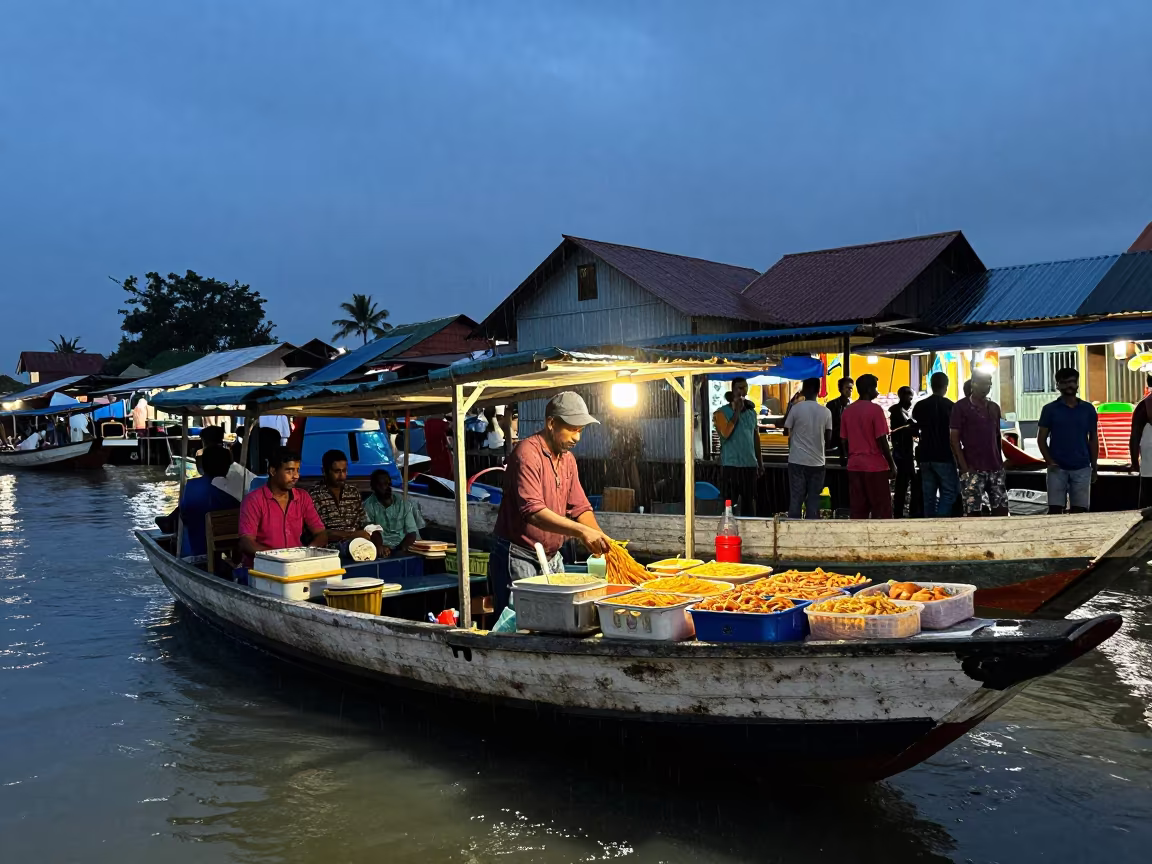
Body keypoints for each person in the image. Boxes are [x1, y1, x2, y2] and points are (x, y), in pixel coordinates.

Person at [490, 392, 612, 616]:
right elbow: (533, 513)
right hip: (518, 555)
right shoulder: (526, 455)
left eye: (581, 431)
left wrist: (603, 542)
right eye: (572, 429)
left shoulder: (568, 460)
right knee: (520, 624)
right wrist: (582, 532)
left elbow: (580, 508)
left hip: (552, 556)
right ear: (551, 423)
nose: (577, 438)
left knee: (555, 621)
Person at [238, 448, 328, 566]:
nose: (295, 476)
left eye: (297, 470)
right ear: (273, 471)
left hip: (296, 565)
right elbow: (246, 542)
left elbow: (321, 533)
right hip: (263, 567)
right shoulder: (253, 500)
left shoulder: (302, 497)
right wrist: (278, 559)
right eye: (289, 471)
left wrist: (307, 553)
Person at [1037, 367, 1098, 514]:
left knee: (1080, 511)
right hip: (1057, 468)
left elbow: (1093, 439)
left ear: (1077, 384)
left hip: (1082, 467)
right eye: (1064, 382)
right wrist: (1049, 461)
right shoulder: (1049, 409)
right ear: (1057, 386)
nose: (1069, 385)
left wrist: (1094, 466)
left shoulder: (1088, 409)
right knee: (1055, 511)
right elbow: (1041, 439)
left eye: (1072, 382)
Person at [950, 370, 1009, 517]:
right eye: (981, 384)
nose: (985, 387)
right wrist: (963, 467)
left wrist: (1000, 462)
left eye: (988, 384)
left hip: (995, 468)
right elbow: (954, 440)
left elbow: (996, 436)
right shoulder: (960, 407)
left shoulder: (994, 407)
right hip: (972, 468)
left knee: (1001, 509)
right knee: (973, 512)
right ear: (973, 384)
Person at [840, 374, 895, 519]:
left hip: (854, 466)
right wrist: (892, 464)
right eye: (875, 388)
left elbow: (844, 440)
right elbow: (882, 440)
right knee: (881, 510)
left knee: (858, 510)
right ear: (869, 389)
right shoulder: (875, 410)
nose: (877, 391)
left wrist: (849, 459)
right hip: (875, 467)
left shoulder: (847, 411)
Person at [310, 449, 381, 554]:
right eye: (337, 471)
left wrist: (378, 543)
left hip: (358, 547)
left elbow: (365, 522)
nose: (342, 475)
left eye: (344, 470)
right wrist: (351, 535)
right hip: (327, 552)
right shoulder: (313, 495)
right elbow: (320, 534)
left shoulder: (353, 492)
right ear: (324, 471)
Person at [179, 446, 241, 557]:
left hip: (195, 547)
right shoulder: (227, 489)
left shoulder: (191, 485)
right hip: (221, 548)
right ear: (226, 466)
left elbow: (184, 514)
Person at [783, 377, 832, 519]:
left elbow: (786, 430)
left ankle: (793, 532)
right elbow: (828, 440)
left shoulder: (796, 408)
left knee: (796, 500)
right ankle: (811, 534)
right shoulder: (826, 412)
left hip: (797, 461)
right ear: (818, 391)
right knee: (813, 501)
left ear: (804, 390)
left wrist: (790, 405)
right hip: (817, 463)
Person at [713, 377, 762, 516]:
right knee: (729, 505)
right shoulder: (720, 413)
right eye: (739, 388)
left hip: (749, 464)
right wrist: (737, 412)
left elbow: (755, 437)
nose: (742, 391)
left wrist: (760, 462)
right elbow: (726, 433)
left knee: (749, 504)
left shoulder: (751, 412)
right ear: (733, 391)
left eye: (745, 387)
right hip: (731, 465)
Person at [913, 372, 958, 517]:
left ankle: (929, 524)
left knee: (929, 496)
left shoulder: (920, 405)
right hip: (944, 455)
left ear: (931, 386)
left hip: (925, 455)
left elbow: (915, 425)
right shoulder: (950, 406)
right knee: (949, 492)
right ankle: (941, 521)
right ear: (946, 387)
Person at [363, 469, 425, 556]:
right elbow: (371, 531)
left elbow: (412, 532)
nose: (387, 487)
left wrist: (401, 550)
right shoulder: (367, 506)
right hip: (383, 548)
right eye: (382, 484)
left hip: (406, 545)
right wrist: (379, 546)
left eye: (388, 484)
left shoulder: (403, 503)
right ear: (373, 487)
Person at [888, 386, 918, 518]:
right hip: (902, 455)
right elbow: (905, 430)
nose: (910, 401)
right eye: (909, 398)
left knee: (907, 484)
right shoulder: (897, 411)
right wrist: (913, 426)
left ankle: (903, 511)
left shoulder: (903, 412)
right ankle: (900, 513)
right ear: (903, 397)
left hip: (906, 454)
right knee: (903, 485)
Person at [1128, 374, 1152, 506]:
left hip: (1149, 463)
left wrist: (1134, 461)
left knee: (1147, 503)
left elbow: (1135, 436)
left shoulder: (1144, 405)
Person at [827, 377, 854, 457]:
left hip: (850, 443)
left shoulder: (853, 406)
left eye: (851, 388)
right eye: (847, 388)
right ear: (840, 389)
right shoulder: (831, 405)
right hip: (835, 442)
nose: (849, 390)